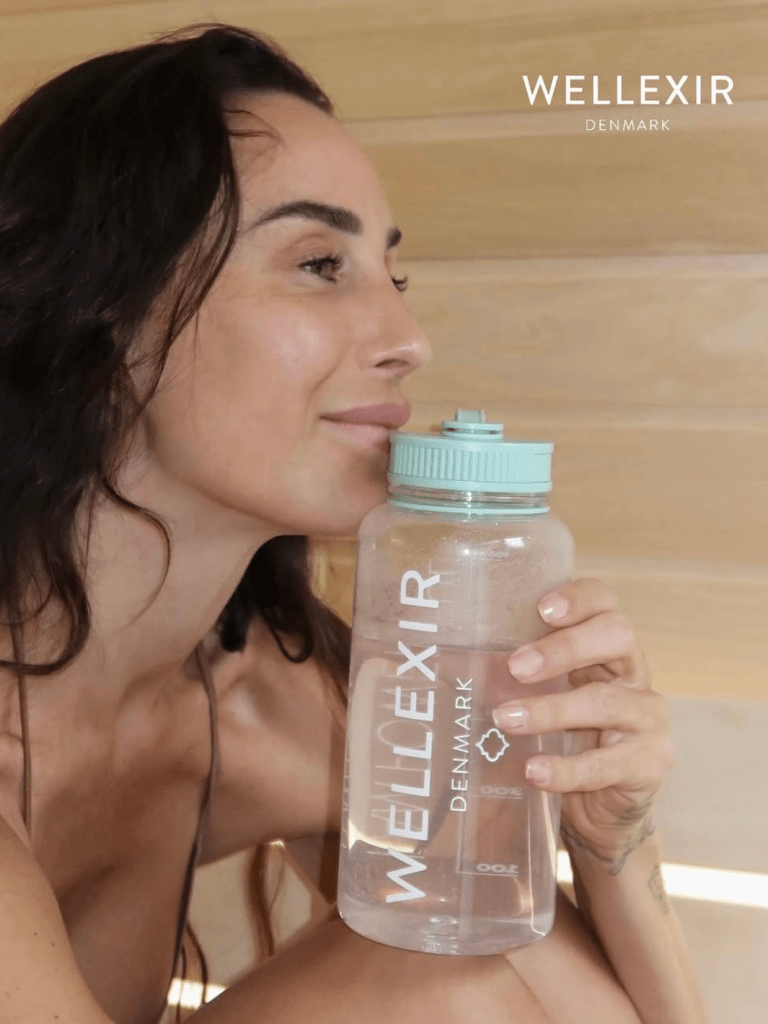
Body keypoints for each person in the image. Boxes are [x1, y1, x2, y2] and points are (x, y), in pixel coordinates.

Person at [0, 22, 709, 1024]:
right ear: (102, 309)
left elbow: (571, 989)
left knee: (469, 933)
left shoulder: (259, 699)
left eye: (392, 274)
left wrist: (611, 838)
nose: (408, 339)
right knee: (449, 973)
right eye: (319, 264)